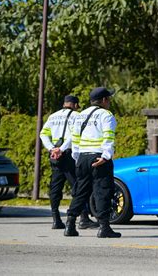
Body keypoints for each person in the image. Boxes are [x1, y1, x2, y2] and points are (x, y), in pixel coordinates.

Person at [64, 87, 121, 238]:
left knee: (80, 191)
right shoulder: (106, 115)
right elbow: (108, 137)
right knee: (102, 191)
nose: (109, 102)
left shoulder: (80, 115)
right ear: (104, 100)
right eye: (109, 99)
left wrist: (77, 158)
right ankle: (104, 227)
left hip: (82, 157)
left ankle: (69, 225)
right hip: (99, 157)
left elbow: (75, 139)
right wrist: (106, 156)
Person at [40, 95, 98, 230]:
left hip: (55, 156)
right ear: (75, 105)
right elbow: (74, 135)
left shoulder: (53, 116)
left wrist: (52, 149)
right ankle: (83, 218)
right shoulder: (77, 116)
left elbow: (43, 134)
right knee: (79, 186)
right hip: (68, 155)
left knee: (55, 187)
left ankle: (56, 219)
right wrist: (62, 149)